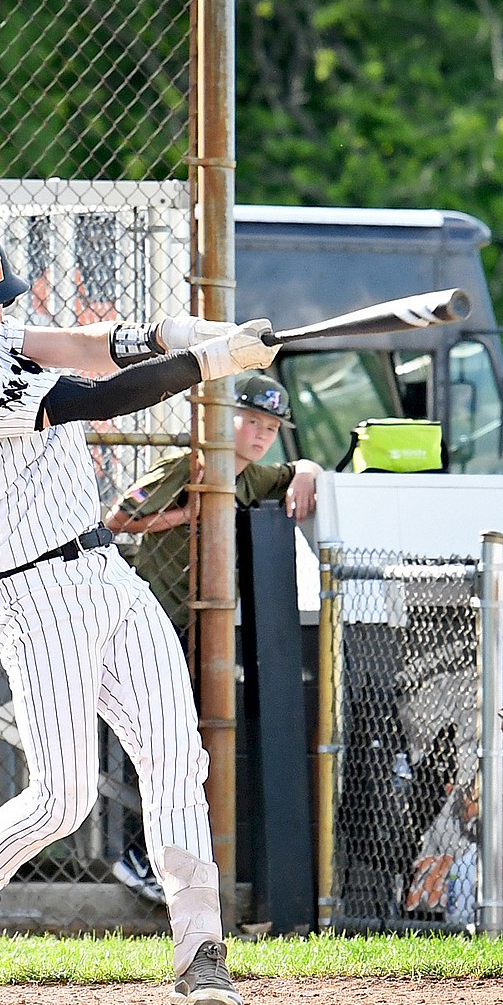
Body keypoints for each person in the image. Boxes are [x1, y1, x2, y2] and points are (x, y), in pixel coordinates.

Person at [0, 220, 279, 1005]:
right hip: (34, 597)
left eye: (0, 297)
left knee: (177, 758)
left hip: (106, 570)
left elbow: (86, 348)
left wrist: (179, 330)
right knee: (62, 799)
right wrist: (207, 364)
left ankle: (200, 951)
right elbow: (99, 397)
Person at [104, 372, 321, 905]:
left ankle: (174, 860)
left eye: (271, 426)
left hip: (197, 627)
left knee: (191, 746)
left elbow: (298, 470)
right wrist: (187, 511)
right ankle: (136, 854)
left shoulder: (251, 476)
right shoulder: (191, 464)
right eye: (252, 420)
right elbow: (118, 517)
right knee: (157, 742)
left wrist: (307, 472)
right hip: (151, 618)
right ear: (225, 420)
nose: (261, 433)